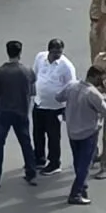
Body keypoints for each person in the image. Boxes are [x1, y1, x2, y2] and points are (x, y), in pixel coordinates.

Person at [0, 39, 39, 187]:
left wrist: (2, 102)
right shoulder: (28, 71)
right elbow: (33, 92)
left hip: (3, 113)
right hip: (21, 112)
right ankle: (31, 174)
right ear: (20, 53)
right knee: (26, 143)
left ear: (7, 52)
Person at [40, 39, 80, 175]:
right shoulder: (40, 58)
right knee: (38, 134)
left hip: (55, 108)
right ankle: (39, 159)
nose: (58, 54)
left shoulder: (67, 66)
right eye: (55, 52)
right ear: (49, 50)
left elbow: (72, 88)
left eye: (60, 52)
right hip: (39, 104)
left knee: (53, 136)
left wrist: (67, 109)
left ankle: (54, 163)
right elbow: (35, 74)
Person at [69, 64, 106, 205]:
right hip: (88, 134)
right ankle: (75, 194)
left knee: (78, 162)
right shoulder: (93, 93)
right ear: (95, 77)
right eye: (101, 79)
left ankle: (82, 187)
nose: (102, 82)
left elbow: (59, 96)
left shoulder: (72, 86)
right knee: (84, 165)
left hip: (72, 132)